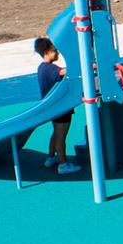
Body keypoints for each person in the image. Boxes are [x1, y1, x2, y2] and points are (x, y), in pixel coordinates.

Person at [34, 37, 81, 175]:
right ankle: (63, 164)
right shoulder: (50, 68)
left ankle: (51, 157)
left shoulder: (41, 68)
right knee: (61, 137)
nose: (58, 53)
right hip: (60, 108)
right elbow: (63, 72)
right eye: (55, 51)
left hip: (53, 108)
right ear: (47, 51)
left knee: (56, 133)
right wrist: (86, 66)